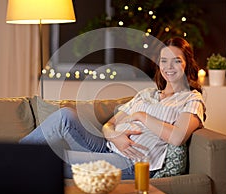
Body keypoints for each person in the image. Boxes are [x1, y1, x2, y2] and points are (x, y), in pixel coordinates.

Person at [20, 37, 206, 179]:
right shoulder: (147, 94)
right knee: (65, 115)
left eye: (177, 60)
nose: (169, 66)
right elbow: (110, 124)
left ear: (187, 63)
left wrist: (141, 116)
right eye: (164, 60)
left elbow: (177, 137)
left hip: (132, 162)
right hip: (107, 145)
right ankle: (10, 153)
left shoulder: (191, 98)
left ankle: (6, 163)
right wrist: (114, 136)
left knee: (52, 160)